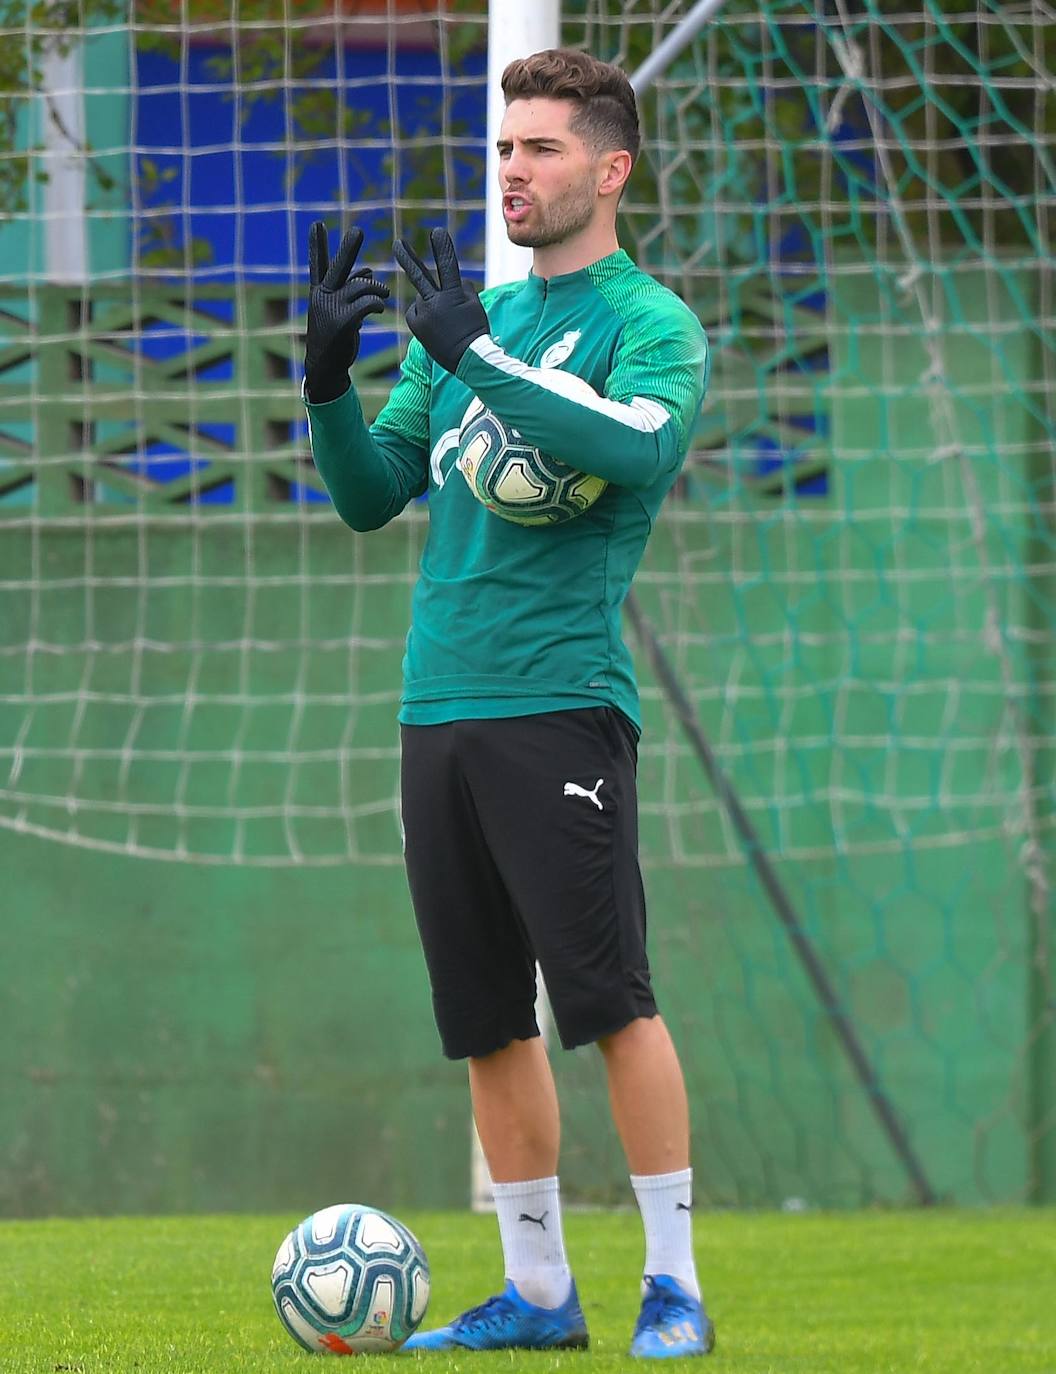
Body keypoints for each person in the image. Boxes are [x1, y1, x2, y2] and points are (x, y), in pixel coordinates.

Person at [302, 47, 714, 1360]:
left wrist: (471, 353)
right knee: (484, 1014)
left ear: (611, 167)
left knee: (607, 998)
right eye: (503, 147)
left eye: (538, 148)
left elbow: (632, 445)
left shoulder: (649, 323)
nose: (512, 171)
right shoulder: (463, 317)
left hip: (559, 704)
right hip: (442, 705)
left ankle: (673, 1288)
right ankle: (538, 1294)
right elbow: (372, 493)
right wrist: (325, 384)